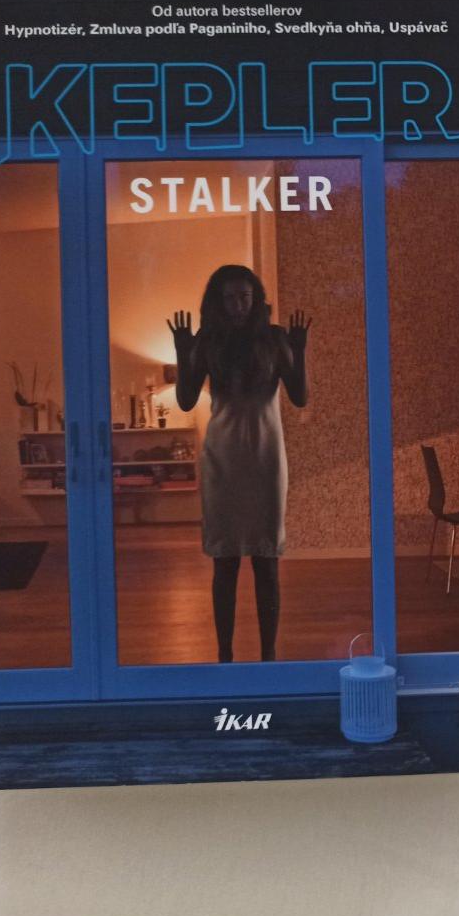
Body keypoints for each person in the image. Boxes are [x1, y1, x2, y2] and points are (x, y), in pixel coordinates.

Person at [169, 265, 310, 663]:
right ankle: (225, 658)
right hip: (223, 460)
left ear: (255, 298)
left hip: (266, 459)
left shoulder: (274, 339)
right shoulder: (208, 340)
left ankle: (269, 658)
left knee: (267, 563)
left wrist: (299, 351)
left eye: (244, 297)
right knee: (225, 563)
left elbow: (299, 397)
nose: (237, 306)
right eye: (229, 298)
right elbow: (185, 401)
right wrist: (182, 351)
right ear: (218, 302)